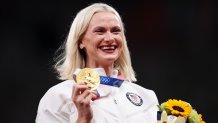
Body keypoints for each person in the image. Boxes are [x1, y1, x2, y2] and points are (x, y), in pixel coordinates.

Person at [36, 2, 159, 123]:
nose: (110, 38)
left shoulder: (146, 96)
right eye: (100, 31)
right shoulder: (59, 96)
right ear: (80, 41)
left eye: (116, 31)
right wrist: (83, 119)